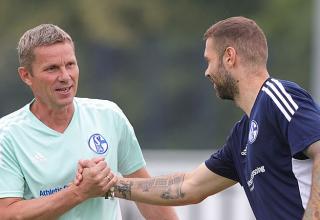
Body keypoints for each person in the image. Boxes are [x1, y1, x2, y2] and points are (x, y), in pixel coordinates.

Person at [76, 16, 320, 220]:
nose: (207, 71)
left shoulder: (277, 96)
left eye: (208, 60)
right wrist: (111, 185)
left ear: (229, 57)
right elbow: (188, 187)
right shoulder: (242, 135)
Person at [0, 24, 178, 220]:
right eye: (52, 69)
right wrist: (79, 192)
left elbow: (146, 194)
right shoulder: (7, 135)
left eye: (70, 65)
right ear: (26, 75)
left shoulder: (109, 115)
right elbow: (8, 214)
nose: (65, 77)